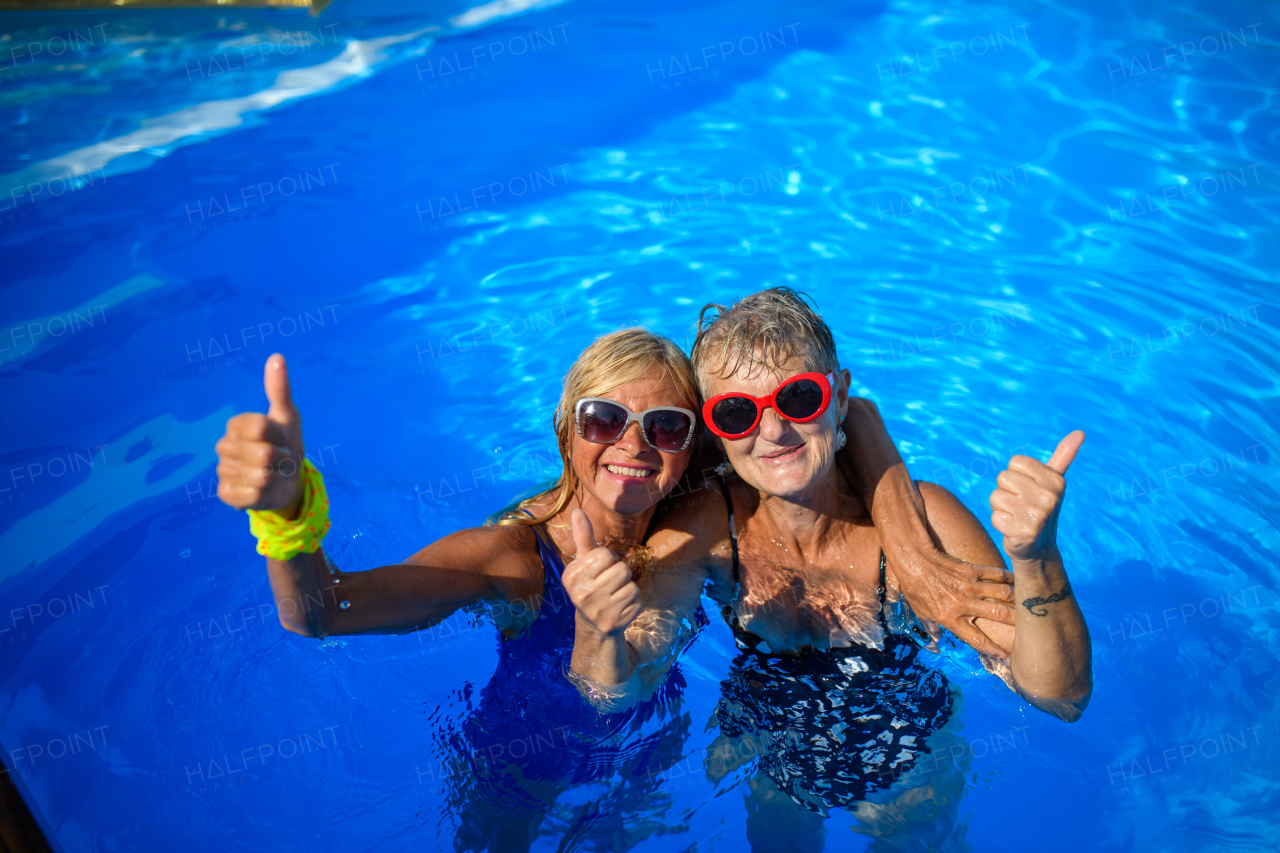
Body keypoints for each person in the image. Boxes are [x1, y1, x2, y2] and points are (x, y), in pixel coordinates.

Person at [212, 326, 1011, 850]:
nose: (633, 445)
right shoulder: (513, 555)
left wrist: (905, 530)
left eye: (665, 425)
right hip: (521, 771)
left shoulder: (688, 508)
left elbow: (842, 413)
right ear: (566, 428)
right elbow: (321, 611)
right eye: (602, 419)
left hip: (648, 754)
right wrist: (287, 518)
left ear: (693, 443)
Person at [562, 289, 1092, 840]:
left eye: (797, 399)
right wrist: (597, 630)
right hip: (771, 735)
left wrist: (1038, 562)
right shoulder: (707, 529)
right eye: (737, 411)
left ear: (838, 395)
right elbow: (616, 693)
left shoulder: (930, 521)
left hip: (909, 736)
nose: (771, 431)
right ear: (715, 431)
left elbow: (1060, 696)